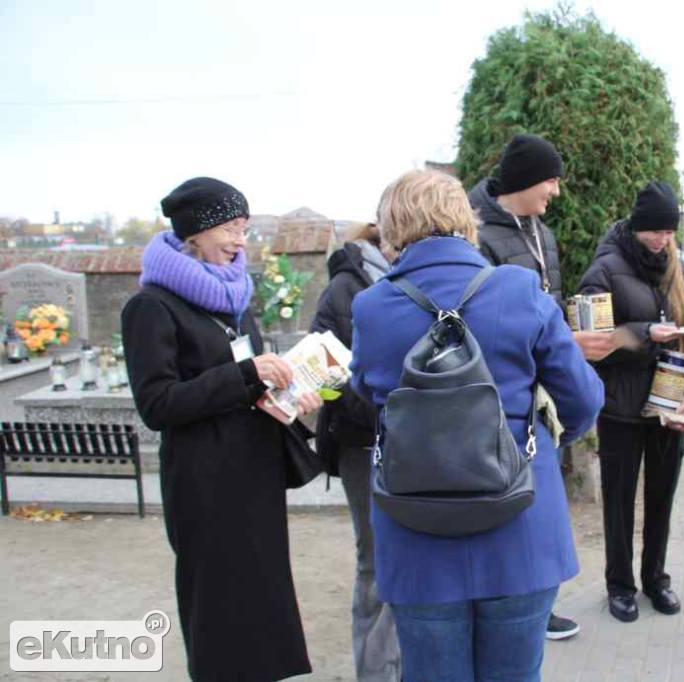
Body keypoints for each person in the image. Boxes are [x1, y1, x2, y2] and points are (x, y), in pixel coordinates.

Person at [348, 170, 603, 681]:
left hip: (416, 530)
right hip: (520, 523)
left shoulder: (372, 306)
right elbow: (584, 398)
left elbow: (365, 394)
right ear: (466, 220)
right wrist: (546, 443)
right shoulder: (520, 288)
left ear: (394, 226)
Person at [121, 177, 322, 681]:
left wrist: (292, 395)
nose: (239, 241)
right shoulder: (151, 306)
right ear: (195, 231)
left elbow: (251, 386)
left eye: (244, 229)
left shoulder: (234, 299)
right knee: (220, 605)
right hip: (205, 481)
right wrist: (246, 374)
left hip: (254, 473)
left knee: (263, 599)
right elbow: (158, 403)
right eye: (230, 228)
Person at [468, 132, 609, 638]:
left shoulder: (538, 230)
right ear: (526, 179)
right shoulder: (477, 230)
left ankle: (536, 606)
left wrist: (567, 337)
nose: (556, 191)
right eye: (551, 179)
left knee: (538, 498)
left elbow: (546, 297)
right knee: (504, 493)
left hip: (542, 377)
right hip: (498, 389)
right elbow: (480, 316)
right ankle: (505, 607)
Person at [577, 181, 684, 623]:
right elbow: (588, 344)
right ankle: (620, 586)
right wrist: (643, 334)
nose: (661, 239)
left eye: (669, 231)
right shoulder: (604, 269)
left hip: (670, 406)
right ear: (637, 226)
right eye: (654, 230)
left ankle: (656, 579)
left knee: (662, 498)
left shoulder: (683, 270)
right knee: (619, 501)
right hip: (620, 406)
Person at [310, 223, 401, 682]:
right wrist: (379, 409)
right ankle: (376, 672)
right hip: (361, 444)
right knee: (375, 561)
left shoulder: (414, 284)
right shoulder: (343, 287)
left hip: (409, 442)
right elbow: (321, 370)